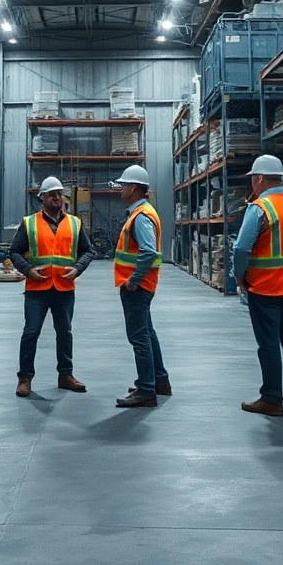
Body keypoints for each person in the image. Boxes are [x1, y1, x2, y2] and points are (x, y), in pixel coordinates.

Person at [231, 154, 283, 417]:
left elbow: (241, 248)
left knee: (268, 342)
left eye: (252, 179)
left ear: (259, 179)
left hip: (266, 287)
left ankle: (270, 399)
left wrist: (239, 277)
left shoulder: (260, 208)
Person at [8, 176, 95, 397]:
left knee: (65, 333)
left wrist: (77, 269)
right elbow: (14, 251)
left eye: (59, 193)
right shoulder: (29, 223)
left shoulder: (75, 223)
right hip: (37, 289)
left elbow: (88, 251)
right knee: (31, 332)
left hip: (64, 288)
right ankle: (24, 378)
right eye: (51, 194)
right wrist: (28, 271)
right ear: (42, 198)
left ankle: (66, 375)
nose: (57, 197)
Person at [112, 165, 170, 408]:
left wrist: (133, 280)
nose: (121, 189)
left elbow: (148, 252)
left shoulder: (141, 216)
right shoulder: (142, 212)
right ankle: (159, 381)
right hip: (143, 285)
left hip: (137, 287)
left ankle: (146, 390)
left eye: (124, 185)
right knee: (147, 332)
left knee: (138, 337)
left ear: (134, 188)